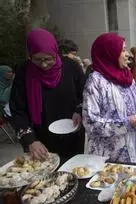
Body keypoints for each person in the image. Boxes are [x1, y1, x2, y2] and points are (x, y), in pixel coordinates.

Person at [9, 28, 85, 159]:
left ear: (55, 52)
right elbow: (17, 109)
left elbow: (85, 95)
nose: (43, 64)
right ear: (30, 55)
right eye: (37, 59)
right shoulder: (24, 73)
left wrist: (79, 110)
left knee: (74, 173)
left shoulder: (71, 67)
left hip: (73, 134)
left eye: (48, 59)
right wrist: (30, 140)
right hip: (40, 140)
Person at [82, 33, 136, 164]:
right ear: (109, 53)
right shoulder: (95, 81)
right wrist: (126, 123)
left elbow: (130, 99)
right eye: (123, 50)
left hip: (135, 144)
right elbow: (90, 123)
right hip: (112, 154)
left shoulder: (125, 74)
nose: (127, 54)